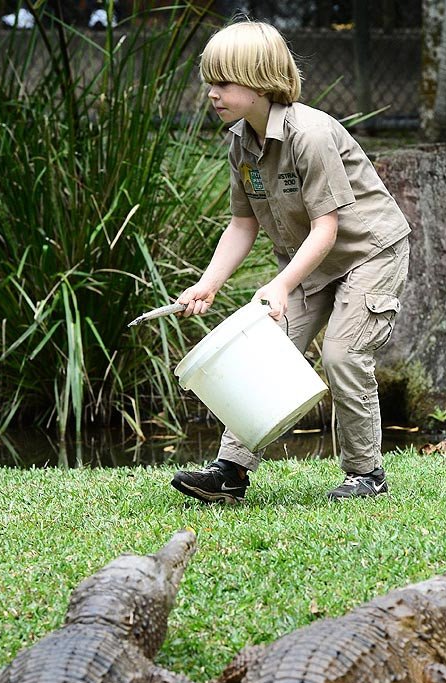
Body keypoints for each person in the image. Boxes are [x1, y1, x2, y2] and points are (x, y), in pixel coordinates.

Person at [171, 20, 410, 504]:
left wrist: (280, 286)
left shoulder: (311, 134)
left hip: (369, 253)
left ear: (261, 83)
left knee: (343, 354)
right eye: (208, 83)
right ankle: (231, 472)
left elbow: (329, 227)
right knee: (264, 353)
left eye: (223, 83)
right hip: (310, 263)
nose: (212, 94)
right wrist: (208, 283)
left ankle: (367, 475)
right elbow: (243, 224)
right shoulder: (241, 141)